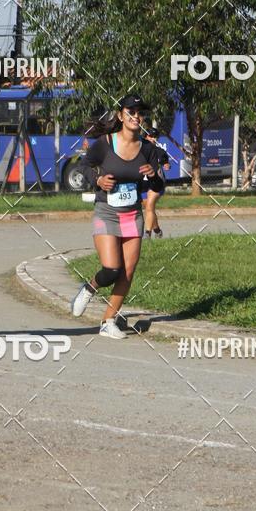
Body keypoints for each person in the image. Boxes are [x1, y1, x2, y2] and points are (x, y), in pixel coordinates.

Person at [71, 94, 164, 338]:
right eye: (130, 112)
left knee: (127, 272)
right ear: (121, 116)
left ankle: (108, 321)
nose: (136, 116)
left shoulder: (148, 149)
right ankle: (90, 287)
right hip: (107, 212)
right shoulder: (105, 143)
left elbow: (157, 185)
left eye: (140, 113)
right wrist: (98, 180)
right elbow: (83, 166)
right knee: (112, 269)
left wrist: (153, 175)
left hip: (133, 215)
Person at [142, 127, 170, 238]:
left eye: (155, 137)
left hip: (157, 183)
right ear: (145, 137)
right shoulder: (138, 150)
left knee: (149, 207)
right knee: (149, 208)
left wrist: (167, 165)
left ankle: (147, 234)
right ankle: (157, 230)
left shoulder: (160, 151)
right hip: (144, 184)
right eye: (150, 136)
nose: (153, 139)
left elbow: (166, 163)